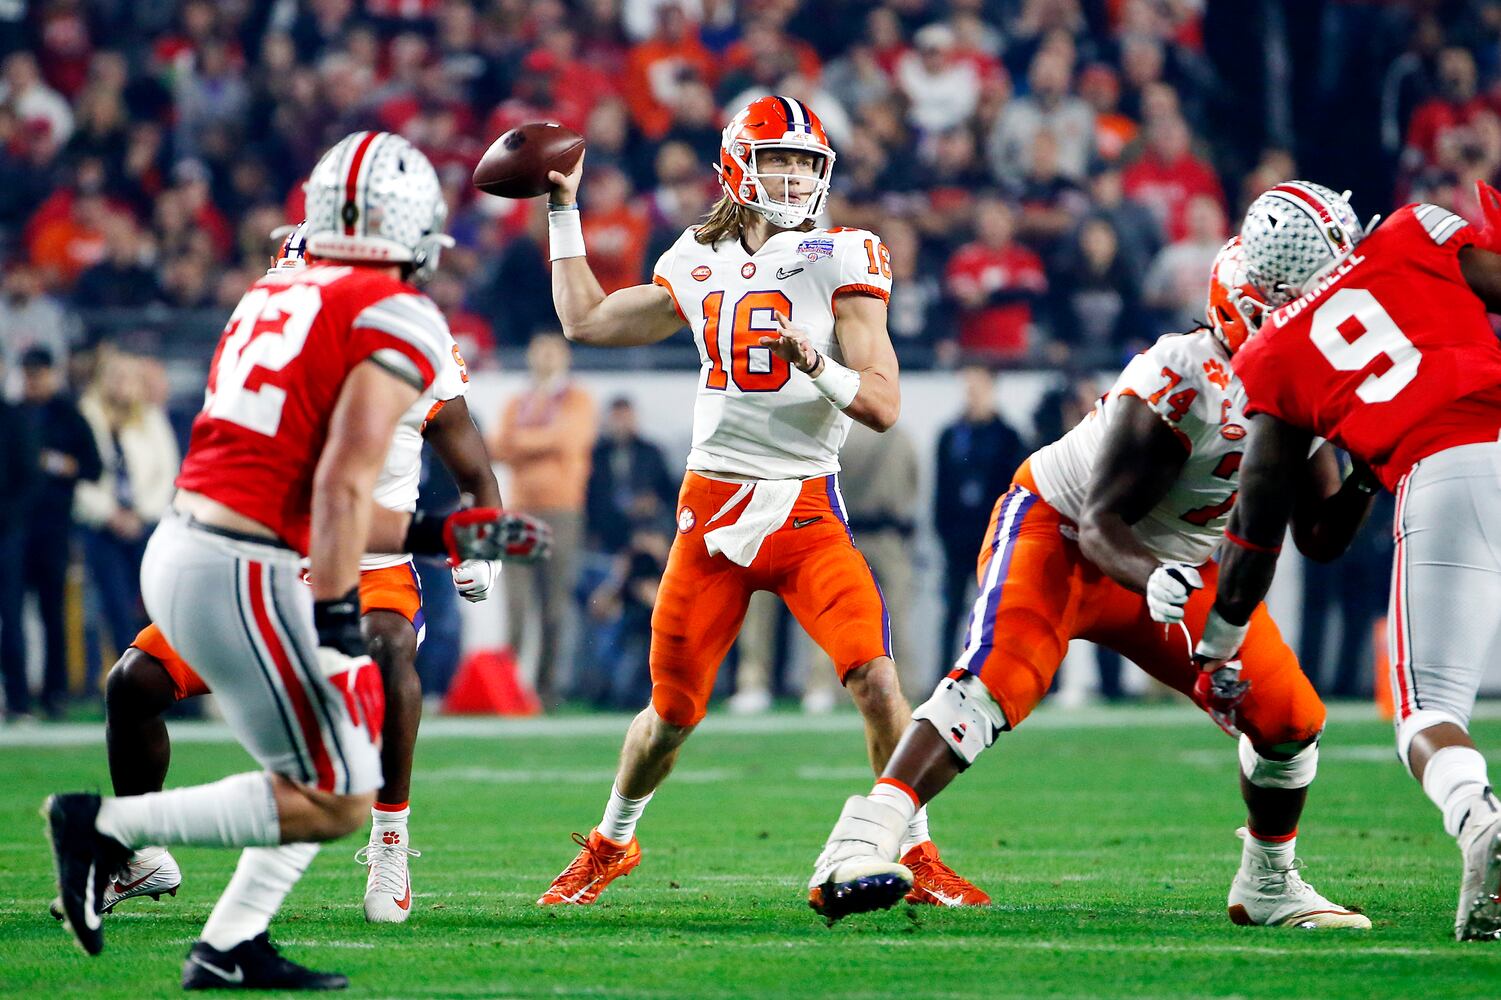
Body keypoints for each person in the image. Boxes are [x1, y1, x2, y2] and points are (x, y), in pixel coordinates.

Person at [43, 131, 547, 990]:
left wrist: (444, 538)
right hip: (260, 565)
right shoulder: (390, 316)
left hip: (199, 547)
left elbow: (310, 486)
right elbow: (341, 489)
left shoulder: (270, 301)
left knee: (319, 770)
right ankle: (105, 829)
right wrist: (344, 605)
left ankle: (227, 945)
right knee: (333, 788)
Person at [805, 236, 1375, 930]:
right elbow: (1102, 520)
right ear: (1248, 311)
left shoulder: (1309, 385)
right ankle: (860, 840)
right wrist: (1155, 573)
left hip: (1173, 565)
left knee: (1290, 720)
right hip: (1066, 531)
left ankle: (1268, 882)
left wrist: (1370, 471)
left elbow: (1319, 538)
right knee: (996, 680)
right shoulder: (1180, 373)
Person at [537, 94, 986, 909]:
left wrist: (816, 364)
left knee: (877, 681)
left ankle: (914, 855)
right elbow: (586, 320)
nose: (793, 175)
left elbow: (881, 406)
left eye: (807, 163)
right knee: (670, 716)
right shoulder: (692, 257)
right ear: (739, 165)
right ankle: (612, 841)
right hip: (708, 514)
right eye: (778, 158)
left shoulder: (841, 254)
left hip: (807, 510)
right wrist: (563, 212)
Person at [89, 224, 503, 928]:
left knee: (389, 647)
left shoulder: (412, 352)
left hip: (367, 570)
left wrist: (479, 539)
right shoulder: (267, 360)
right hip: (262, 570)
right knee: (134, 683)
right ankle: (139, 850)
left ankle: (390, 839)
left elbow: (468, 464)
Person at [1192, 180, 1501, 941]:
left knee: (1426, 714)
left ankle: (1478, 820)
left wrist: (1223, 640)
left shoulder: (1273, 353)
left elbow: (1259, 529)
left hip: (1448, 473)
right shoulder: (1406, 234)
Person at [489, 332, 597, 709]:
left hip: (561, 510)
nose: (545, 358)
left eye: (552, 351)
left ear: (564, 357)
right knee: (515, 606)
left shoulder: (577, 399)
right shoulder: (518, 401)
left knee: (553, 605)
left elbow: (568, 440)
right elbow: (496, 446)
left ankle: (545, 689)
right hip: (517, 510)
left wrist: (522, 442)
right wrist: (538, 442)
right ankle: (508, 691)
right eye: (539, 351)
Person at [74, 349, 180, 670]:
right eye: (115, 376)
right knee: (116, 607)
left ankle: (169, 683)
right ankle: (130, 680)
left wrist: (141, 514)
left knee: (156, 607)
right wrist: (110, 514)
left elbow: (168, 473)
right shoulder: (84, 417)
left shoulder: (151, 418)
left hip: (146, 526)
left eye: (128, 377)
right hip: (101, 528)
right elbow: (80, 477)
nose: (121, 384)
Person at [17, 345, 101, 718]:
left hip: (53, 525)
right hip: (15, 527)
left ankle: (56, 693)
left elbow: (93, 467)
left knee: (53, 611)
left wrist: (59, 463)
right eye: (29, 374)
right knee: (13, 613)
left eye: (39, 373)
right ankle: (17, 695)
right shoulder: (13, 413)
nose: (34, 381)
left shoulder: (68, 414)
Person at [932, 366, 1025, 665]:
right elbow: (941, 489)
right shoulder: (950, 435)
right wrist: (944, 532)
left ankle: (996, 672)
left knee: (997, 610)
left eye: (978, 388)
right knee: (953, 610)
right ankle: (945, 674)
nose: (972, 395)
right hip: (959, 539)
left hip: (993, 536)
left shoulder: (1009, 437)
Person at [0, 355, 38, 720]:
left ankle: (19, 700)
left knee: (11, 617)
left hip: (6, 535)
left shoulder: (13, 418)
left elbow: (28, 478)